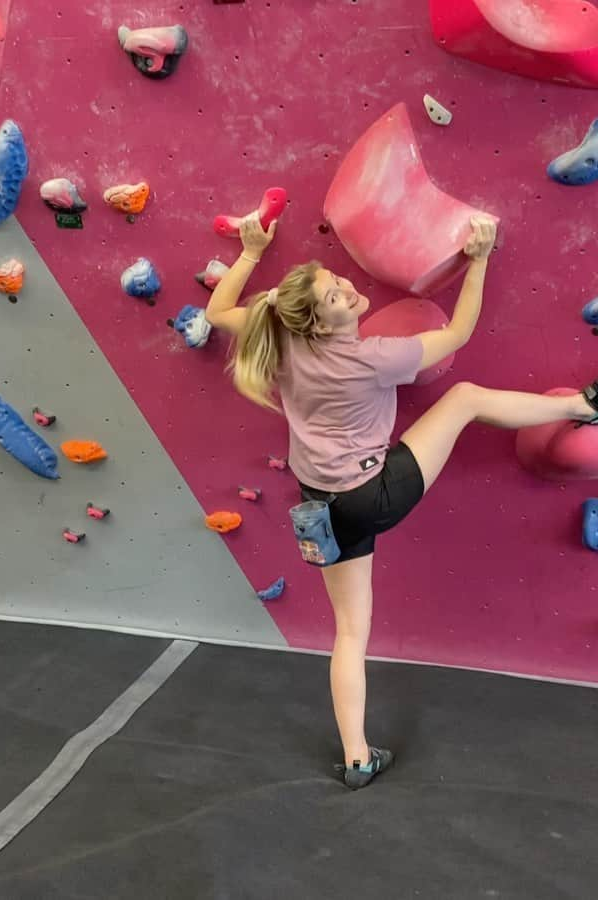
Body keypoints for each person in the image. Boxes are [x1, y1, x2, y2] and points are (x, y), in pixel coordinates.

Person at [205, 212, 598, 789]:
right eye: (335, 296)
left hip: (322, 510)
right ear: (317, 324)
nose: (347, 288)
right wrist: (480, 258)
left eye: (336, 282)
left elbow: (217, 313)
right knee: (463, 397)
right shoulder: (374, 356)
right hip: (374, 494)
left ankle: (357, 758)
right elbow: (459, 334)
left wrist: (248, 252)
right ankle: (580, 409)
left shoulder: (282, 342)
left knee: (349, 633)